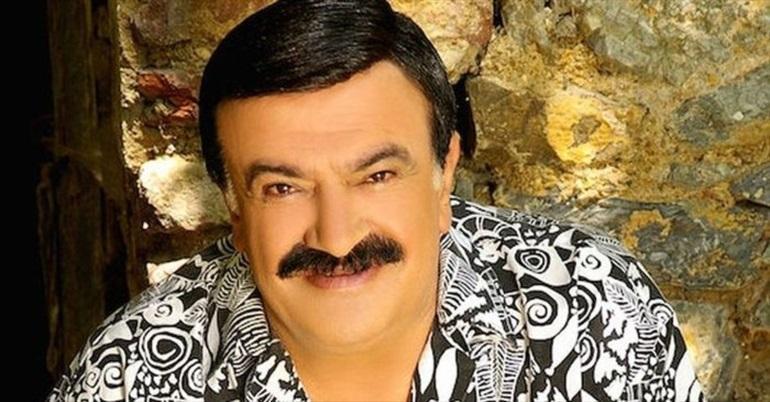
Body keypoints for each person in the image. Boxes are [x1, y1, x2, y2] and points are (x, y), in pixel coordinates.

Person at [46, 0, 705, 401]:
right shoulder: (124, 379)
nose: (335, 237)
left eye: (377, 176)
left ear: (444, 175)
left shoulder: (599, 308)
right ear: (235, 211)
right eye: (283, 188)